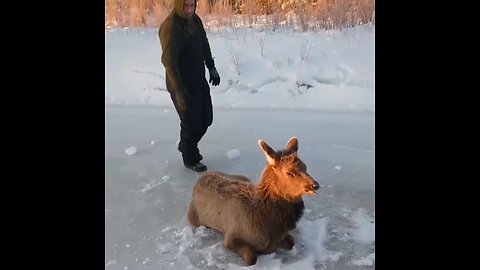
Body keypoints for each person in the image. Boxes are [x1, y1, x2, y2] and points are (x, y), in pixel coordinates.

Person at [159, 0, 220, 172]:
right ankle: (190, 158)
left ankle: (186, 144)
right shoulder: (170, 27)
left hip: (198, 79)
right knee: (191, 122)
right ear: (178, 5)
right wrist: (178, 90)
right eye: (185, 6)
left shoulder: (195, 20)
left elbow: (204, 43)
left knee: (206, 118)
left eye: (191, 6)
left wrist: (211, 66)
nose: (188, 9)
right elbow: (169, 62)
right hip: (180, 82)